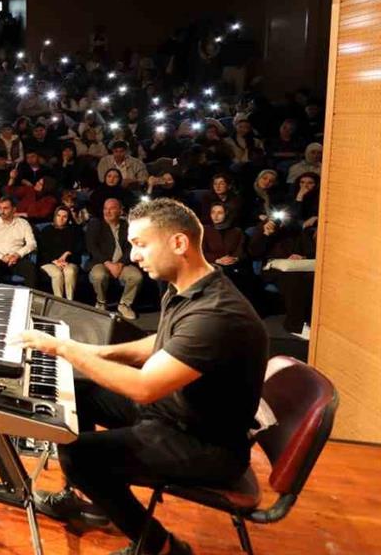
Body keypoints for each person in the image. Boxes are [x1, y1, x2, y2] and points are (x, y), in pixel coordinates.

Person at [17, 198, 267, 555]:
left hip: (206, 445)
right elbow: (162, 342)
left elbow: (144, 387)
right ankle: (91, 496)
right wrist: (97, 353)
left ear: (178, 243)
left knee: (79, 456)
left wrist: (64, 349)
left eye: (140, 244)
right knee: (79, 389)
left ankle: (160, 546)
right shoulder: (188, 287)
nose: (134, 256)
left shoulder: (217, 315)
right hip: (178, 413)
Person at [85, 198, 144, 320]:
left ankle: (124, 304)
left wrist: (121, 264)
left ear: (120, 211)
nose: (108, 212)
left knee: (136, 276)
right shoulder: (96, 224)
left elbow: (131, 246)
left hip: (121, 263)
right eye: (105, 209)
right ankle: (101, 302)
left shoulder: (126, 225)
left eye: (112, 209)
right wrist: (108, 263)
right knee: (99, 275)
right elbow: (92, 247)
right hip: (101, 262)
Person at [0, 198, 39, 288]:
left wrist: (17, 255)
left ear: (14, 209)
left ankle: (29, 296)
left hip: (17, 259)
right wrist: (2, 257)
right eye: (0, 208)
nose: (2, 211)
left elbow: (32, 243)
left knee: (31, 268)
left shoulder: (23, 223)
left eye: (5, 208)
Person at [37, 206, 82, 300]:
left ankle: (70, 301)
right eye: (59, 215)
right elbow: (42, 250)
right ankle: (59, 301)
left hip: (68, 262)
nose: (61, 219)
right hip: (48, 261)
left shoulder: (75, 230)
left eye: (64, 216)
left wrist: (67, 254)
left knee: (70, 271)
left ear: (68, 218)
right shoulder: (47, 230)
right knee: (57, 274)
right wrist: (55, 261)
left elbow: (79, 248)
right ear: (55, 216)